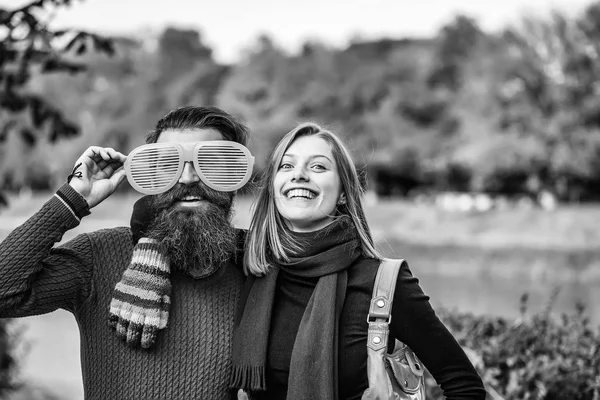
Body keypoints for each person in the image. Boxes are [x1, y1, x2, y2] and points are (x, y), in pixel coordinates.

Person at [0, 106, 252, 400]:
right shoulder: (100, 256)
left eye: (208, 161)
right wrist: (72, 200)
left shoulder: (259, 263)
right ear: (153, 177)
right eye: (169, 163)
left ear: (235, 172)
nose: (187, 177)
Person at [230, 122, 486, 399]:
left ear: (342, 192)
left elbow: (465, 387)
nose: (299, 176)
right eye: (286, 166)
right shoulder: (246, 262)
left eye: (318, 167)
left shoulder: (383, 282)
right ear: (274, 187)